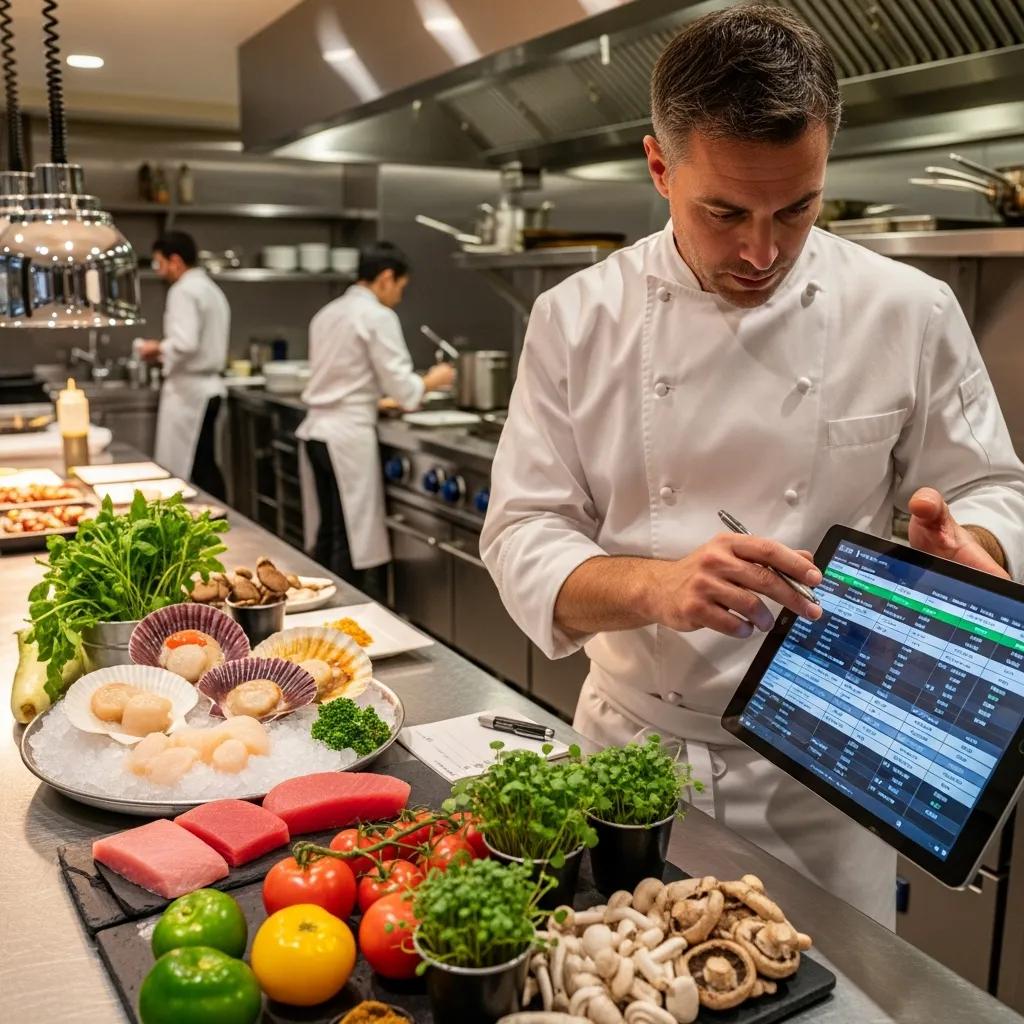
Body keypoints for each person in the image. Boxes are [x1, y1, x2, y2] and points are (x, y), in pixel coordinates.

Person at [480, 4, 1024, 927]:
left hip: (824, 778)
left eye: (799, 208)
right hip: (629, 765)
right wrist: (655, 585)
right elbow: (521, 532)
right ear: (659, 166)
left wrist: (969, 545)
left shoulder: (907, 309)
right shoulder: (578, 319)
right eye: (724, 211)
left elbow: (990, 485)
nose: (762, 251)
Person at [296, 242, 454, 597]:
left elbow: (343, 377)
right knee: (348, 539)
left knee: (329, 531)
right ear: (385, 278)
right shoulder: (377, 316)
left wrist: (372, 399)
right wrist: (435, 379)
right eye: (400, 286)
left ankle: (323, 611)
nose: (399, 296)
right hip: (346, 436)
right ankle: (345, 621)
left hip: (317, 432)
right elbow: (403, 387)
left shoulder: (328, 312)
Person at [138, 231, 229, 499]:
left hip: (191, 393)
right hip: (208, 388)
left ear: (175, 261)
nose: (159, 271)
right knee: (204, 462)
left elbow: (185, 343)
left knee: (196, 467)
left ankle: (214, 521)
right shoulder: (209, 288)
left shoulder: (183, 290)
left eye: (159, 263)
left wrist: (156, 348)